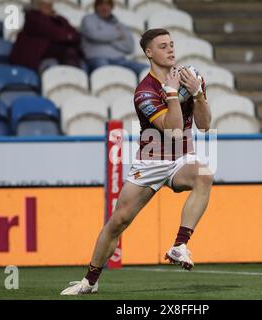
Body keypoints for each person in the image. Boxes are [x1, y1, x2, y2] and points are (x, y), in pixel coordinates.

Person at [60, 28, 213, 295]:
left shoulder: (190, 76)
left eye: (172, 45)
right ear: (148, 53)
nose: (171, 50)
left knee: (204, 174)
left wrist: (198, 93)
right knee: (118, 222)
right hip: (151, 164)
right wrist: (174, 94)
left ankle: (179, 245)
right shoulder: (145, 92)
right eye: (163, 46)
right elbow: (173, 128)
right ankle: (90, 281)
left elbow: (204, 124)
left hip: (182, 158)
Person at [9, 0, 82, 72]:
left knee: (71, 52)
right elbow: (53, 32)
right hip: (35, 56)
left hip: (55, 52)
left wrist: (66, 36)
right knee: (68, 52)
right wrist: (68, 36)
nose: (49, 8)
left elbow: (76, 35)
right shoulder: (33, 18)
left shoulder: (60, 19)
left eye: (49, 5)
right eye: (45, 5)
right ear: (38, 6)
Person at [80, 0, 148, 75]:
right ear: (96, 7)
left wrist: (103, 36)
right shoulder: (88, 19)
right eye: (101, 4)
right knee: (105, 71)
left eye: (108, 5)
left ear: (111, 7)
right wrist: (117, 35)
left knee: (147, 70)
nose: (104, 7)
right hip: (97, 59)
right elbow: (94, 35)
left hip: (120, 60)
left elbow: (129, 47)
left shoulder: (120, 25)